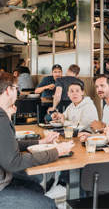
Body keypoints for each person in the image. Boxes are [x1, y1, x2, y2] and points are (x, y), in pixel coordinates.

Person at [0, 72, 74, 208]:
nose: (18, 92)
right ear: (8, 90)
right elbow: (14, 162)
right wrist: (56, 151)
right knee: (49, 205)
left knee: (36, 186)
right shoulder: (1, 119)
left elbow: (8, 145)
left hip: (4, 178)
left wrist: (41, 142)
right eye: (16, 88)